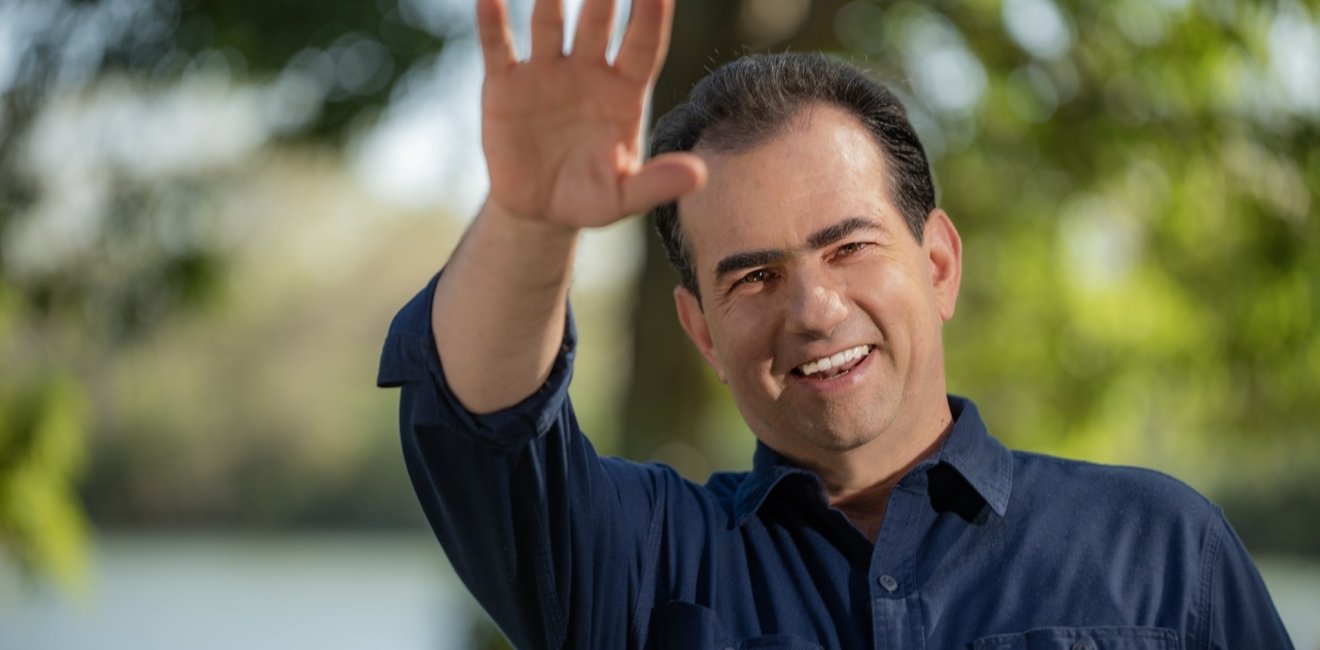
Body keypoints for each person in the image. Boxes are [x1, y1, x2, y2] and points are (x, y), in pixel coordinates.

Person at [376, 0, 1295, 647]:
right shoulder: (644, 562)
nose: (813, 311)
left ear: (938, 263)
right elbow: (481, 423)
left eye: (849, 248)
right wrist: (533, 221)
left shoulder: (1164, 548)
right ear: (700, 332)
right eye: (755, 278)